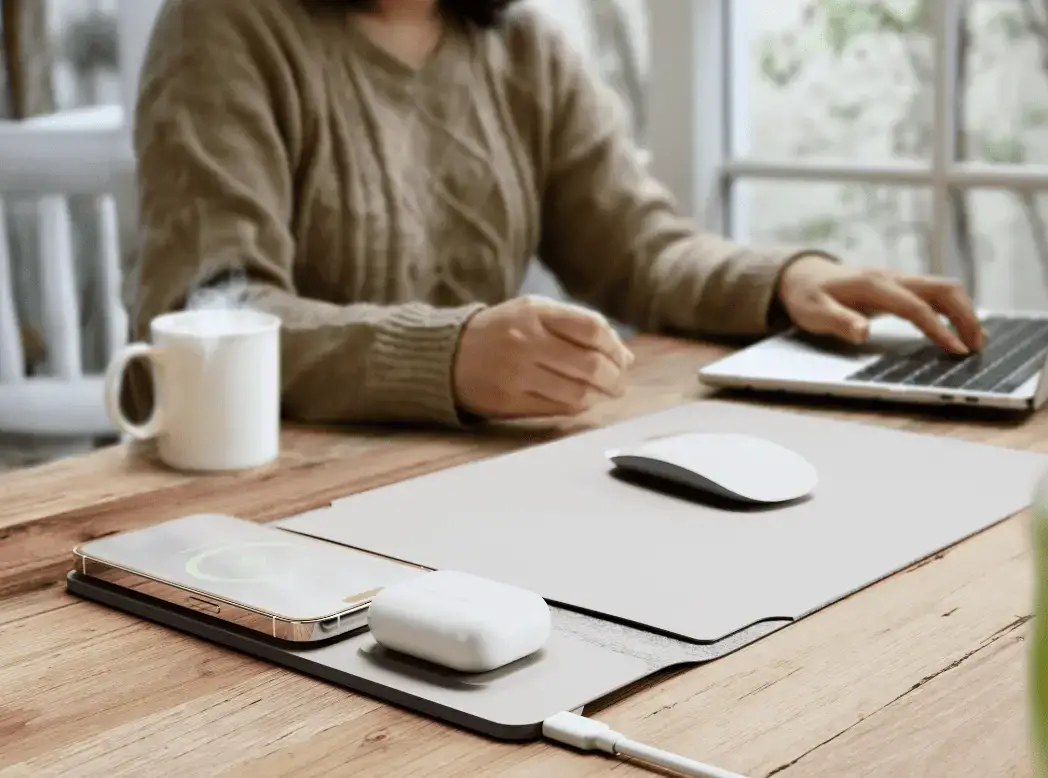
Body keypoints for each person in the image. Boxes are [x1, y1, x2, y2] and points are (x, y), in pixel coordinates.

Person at [125, 0, 984, 426]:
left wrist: (791, 278)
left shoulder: (524, 48)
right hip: (264, 511)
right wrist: (447, 356)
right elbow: (209, 311)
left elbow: (640, 248)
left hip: (470, 485)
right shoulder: (224, 26)